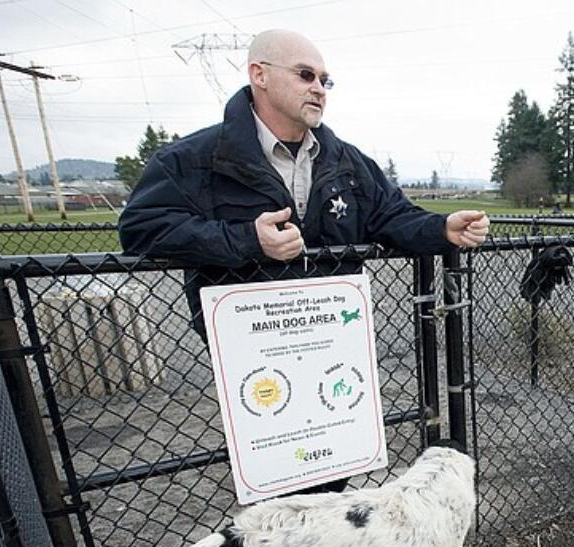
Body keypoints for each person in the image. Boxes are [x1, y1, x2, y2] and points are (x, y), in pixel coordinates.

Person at [118, 29, 490, 340]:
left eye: (324, 80)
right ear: (259, 75)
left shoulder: (346, 160)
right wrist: (250, 240)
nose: (319, 89)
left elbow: (390, 215)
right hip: (249, 342)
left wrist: (442, 227)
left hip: (331, 335)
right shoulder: (194, 159)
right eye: (305, 75)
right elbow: (141, 228)